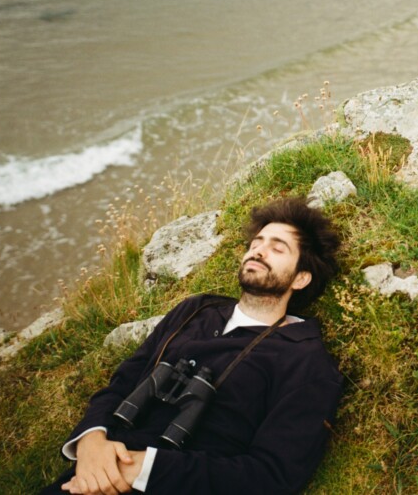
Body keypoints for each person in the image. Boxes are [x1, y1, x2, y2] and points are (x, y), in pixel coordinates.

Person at [41, 197, 343, 495]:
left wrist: (142, 468)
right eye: (256, 243)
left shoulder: (306, 360)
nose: (259, 251)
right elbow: (124, 380)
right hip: (95, 472)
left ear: (301, 278)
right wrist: (91, 439)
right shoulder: (196, 309)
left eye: (277, 248)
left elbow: (272, 476)